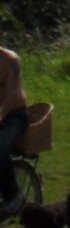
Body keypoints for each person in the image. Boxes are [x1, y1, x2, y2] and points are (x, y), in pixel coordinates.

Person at [0, 43, 26, 215]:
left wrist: (1, 113)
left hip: (14, 116)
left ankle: (13, 197)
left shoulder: (10, 60)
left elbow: (14, 94)